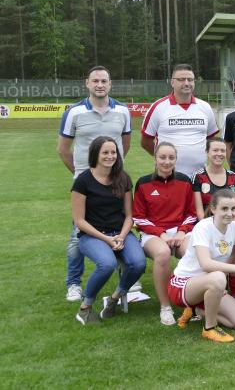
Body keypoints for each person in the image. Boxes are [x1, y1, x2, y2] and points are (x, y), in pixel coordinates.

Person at [58, 65, 132, 302]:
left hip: (115, 181)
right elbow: (63, 150)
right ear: (87, 83)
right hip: (86, 184)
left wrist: (112, 173)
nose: (100, 85)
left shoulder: (122, 110)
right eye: (95, 81)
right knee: (77, 235)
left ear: (110, 84)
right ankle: (73, 283)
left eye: (104, 81)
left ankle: (129, 279)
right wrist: (84, 177)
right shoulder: (74, 112)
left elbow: (125, 145)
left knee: (119, 224)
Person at [71, 137, 145, 324]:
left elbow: (129, 215)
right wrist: (106, 239)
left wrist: (121, 236)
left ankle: (114, 299)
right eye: (105, 152)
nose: (110, 156)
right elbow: (79, 221)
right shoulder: (83, 181)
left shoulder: (123, 178)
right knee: (107, 264)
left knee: (138, 263)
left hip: (120, 233)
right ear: (95, 154)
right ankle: (85, 308)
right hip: (91, 235)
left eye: (113, 152)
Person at [169, 189, 235, 343]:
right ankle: (209, 328)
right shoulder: (203, 227)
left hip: (213, 284)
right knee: (218, 277)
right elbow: (206, 264)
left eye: (233, 209)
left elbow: (234, 258)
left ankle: (198, 309)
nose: (230, 213)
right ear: (213, 209)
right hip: (183, 284)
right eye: (224, 209)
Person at [133, 142, 198, 325]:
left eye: (171, 157)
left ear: (176, 159)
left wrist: (181, 232)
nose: (166, 162)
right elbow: (138, 217)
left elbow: (191, 213)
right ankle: (165, 307)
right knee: (162, 254)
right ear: (155, 158)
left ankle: (191, 302)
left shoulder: (185, 181)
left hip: (180, 232)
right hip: (153, 233)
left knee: (193, 251)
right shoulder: (144, 183)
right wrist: (161, 234)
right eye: (162, 157)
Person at [141, 64, 219, 177]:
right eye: (181, 79)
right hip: (168, 175)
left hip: (199, 177)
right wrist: (163, 159)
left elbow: (212, 139)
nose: (186, 83)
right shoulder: (158, 107)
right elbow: (146, 141)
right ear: (172, 82)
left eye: (190, 79)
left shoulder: (205, 107)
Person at [191, 138, 235, 301]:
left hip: (230, 226)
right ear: (207, 152)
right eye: (215, 150)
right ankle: (209, 287)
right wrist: (214, 231)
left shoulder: (234, 177)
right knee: (208, 254)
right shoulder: (198, 177)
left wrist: (233, 230)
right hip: (207, 228)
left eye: (222, 150)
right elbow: (200, 212)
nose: (219, 154)